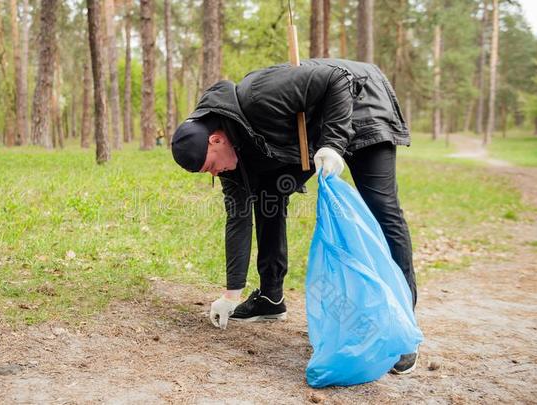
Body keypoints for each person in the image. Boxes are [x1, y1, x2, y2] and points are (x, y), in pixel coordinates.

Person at [171, 58, 418, 374]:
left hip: (360, 101)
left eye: (210, 166)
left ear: (216, 139)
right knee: (268, 194)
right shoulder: (232, 159)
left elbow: (336, 79)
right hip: (313, 128)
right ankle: (270, 298)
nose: (215, 174)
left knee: (382, 208)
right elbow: (238, 216)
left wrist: (332, 146)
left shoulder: (258, 96)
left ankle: (403, 328)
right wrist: (231, 293)